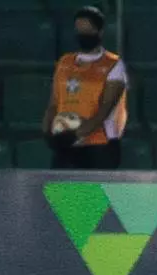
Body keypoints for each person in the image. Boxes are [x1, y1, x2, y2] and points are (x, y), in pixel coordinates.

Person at [44, 6, 129, 170]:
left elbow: (105, 110)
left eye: (87, 28)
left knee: (93, 195)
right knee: (63, 193)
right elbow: (53, 103)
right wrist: (47, 133)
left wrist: (75, 135)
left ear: (100, 31)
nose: (82, 33)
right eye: (79, 29)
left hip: (100, 147)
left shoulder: (113, 65)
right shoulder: (64, 62)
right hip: (65, 145)